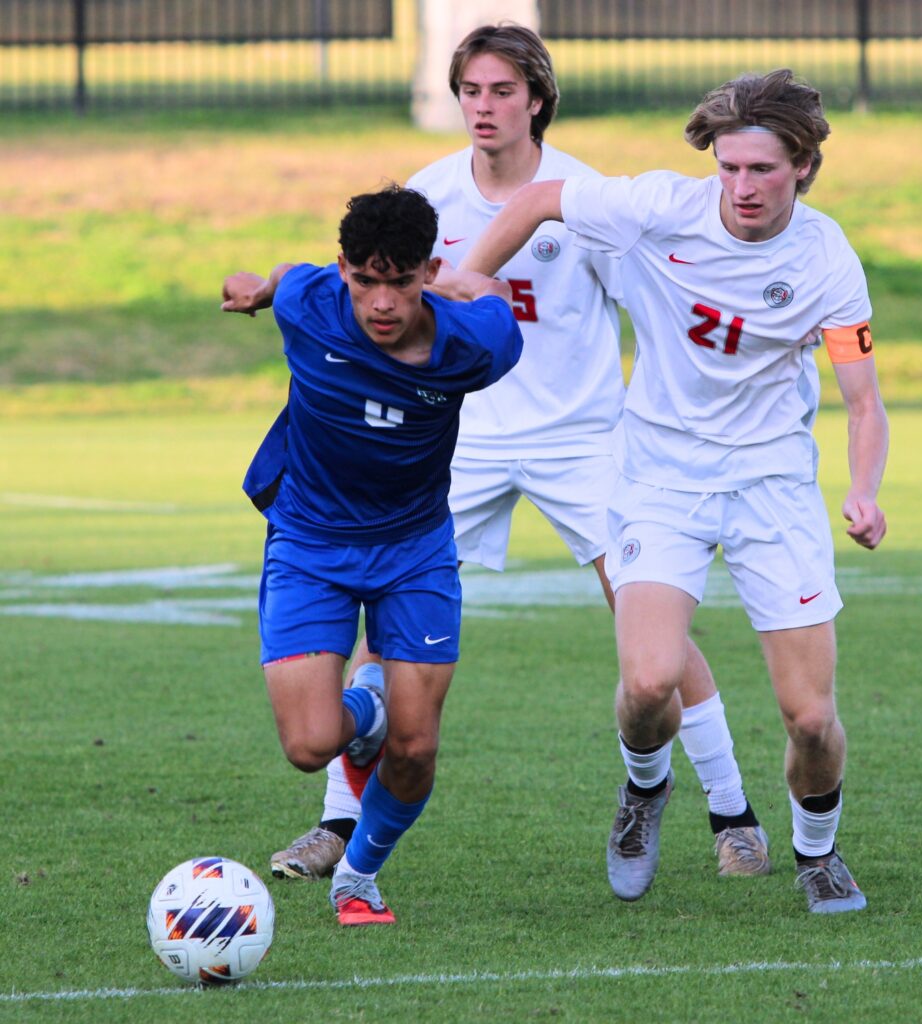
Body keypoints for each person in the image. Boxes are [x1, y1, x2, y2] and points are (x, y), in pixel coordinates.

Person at [269, 24, 770, 897]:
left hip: (581, 436)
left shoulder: (582, 197)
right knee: (383, 633)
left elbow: (652, 309)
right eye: (471, 90)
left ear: (537, 97)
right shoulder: (426, 198)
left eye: (503, 91)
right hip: (454, 440)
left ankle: (732, 815)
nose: (484, 107)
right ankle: (339, 823)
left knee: (651, 619)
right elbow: (360, 301)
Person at [459, 68, 889, 914]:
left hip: (771, 485)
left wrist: (864, 490)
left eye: (761, 170)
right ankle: (644, 791)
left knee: (810, 717)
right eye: (728, 168)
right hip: (661, 477)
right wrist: (469, 276)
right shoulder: (659, 206)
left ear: (802, 165)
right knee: (650, 682)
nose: (741, 188)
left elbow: (863, 400)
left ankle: (817, 852)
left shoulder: (827, 259)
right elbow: (543, 198)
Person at [220, 184, 523, 925]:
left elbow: (489, 294)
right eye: (365, 280)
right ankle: (368, 706)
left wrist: (462, 283)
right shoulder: (309, 303)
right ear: (343, 271)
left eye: (401, 280)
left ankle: (358, 875)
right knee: (310, 745)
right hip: (309, 544)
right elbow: (290, 276)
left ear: (429, 270)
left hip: (414, 548)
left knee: (416, 750)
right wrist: (258, 291)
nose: (381, 302)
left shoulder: (477, 344)